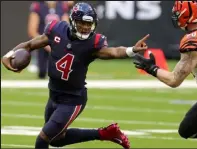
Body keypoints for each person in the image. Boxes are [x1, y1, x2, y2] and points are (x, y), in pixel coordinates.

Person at [2, 2, 149, 149]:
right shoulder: (56, 30)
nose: (85, 27)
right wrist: (8, 56)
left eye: (88, 24)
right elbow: (28, 45)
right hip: (54, 95)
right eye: (81, 23)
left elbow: (114, 52)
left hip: (72, 100)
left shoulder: (92, 43)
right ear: (72, 21)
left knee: (42, 139)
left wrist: (132, 50)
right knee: (56, 139)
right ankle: (106, 133)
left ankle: (106, 133)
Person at [132, 1, 197, 148]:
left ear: (190, 13)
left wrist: (152, 69)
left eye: (178, 10)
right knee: (187, 130)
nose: (175, 13)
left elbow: (174, 80)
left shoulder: (193, 43)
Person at [28, 1, 69, 78]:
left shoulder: (62, 6)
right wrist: (45, 44)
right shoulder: (38, 6)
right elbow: (32, 30)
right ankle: (36, 62)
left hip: (58, 42)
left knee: (61, 74)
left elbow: (66, 28)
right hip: (42, 42)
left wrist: (60, 44)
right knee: (42, 72)